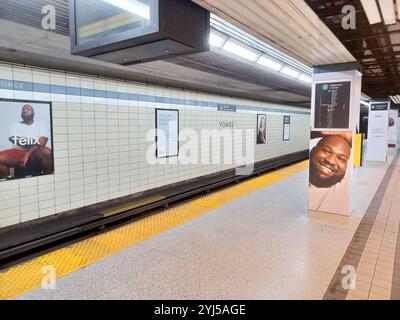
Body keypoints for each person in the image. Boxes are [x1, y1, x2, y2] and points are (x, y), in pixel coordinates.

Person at [0, 104, 53, 179]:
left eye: (28, 109)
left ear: (33, 113)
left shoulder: (41, 125)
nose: (25, 110)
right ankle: (8, 180)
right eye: (23, 109)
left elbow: (42, 143)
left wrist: (28, 153)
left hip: (35, 152)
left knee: (47, 152)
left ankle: (47, 179)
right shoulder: (15, 125)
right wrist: (35, 141)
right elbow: (15, 139)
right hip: (18, 152)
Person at [309, 132, 352, 215]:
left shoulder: (346, 187)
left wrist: (347, 135)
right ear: (313, 151)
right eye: (327, 151)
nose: (331, 161)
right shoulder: (295, 179)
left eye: (341, 158)